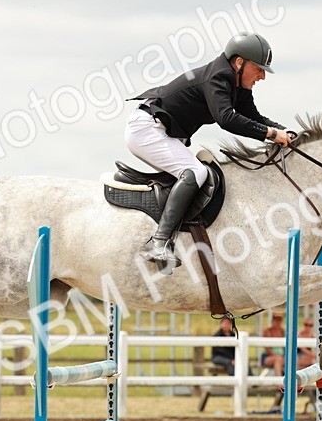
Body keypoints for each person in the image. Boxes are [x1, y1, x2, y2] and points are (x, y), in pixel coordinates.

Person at [126, 32, 294, 269]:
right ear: (239, 62)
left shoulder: (237, 84)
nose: (262, 76)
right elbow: (226, 119)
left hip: (159, 130)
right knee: (196, 173)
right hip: (147, 129)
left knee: (197, 172)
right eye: (259, 69)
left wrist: (283, 129)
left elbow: (253, 117)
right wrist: (271, 135)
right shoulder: (217, 78)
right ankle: (158, 242)